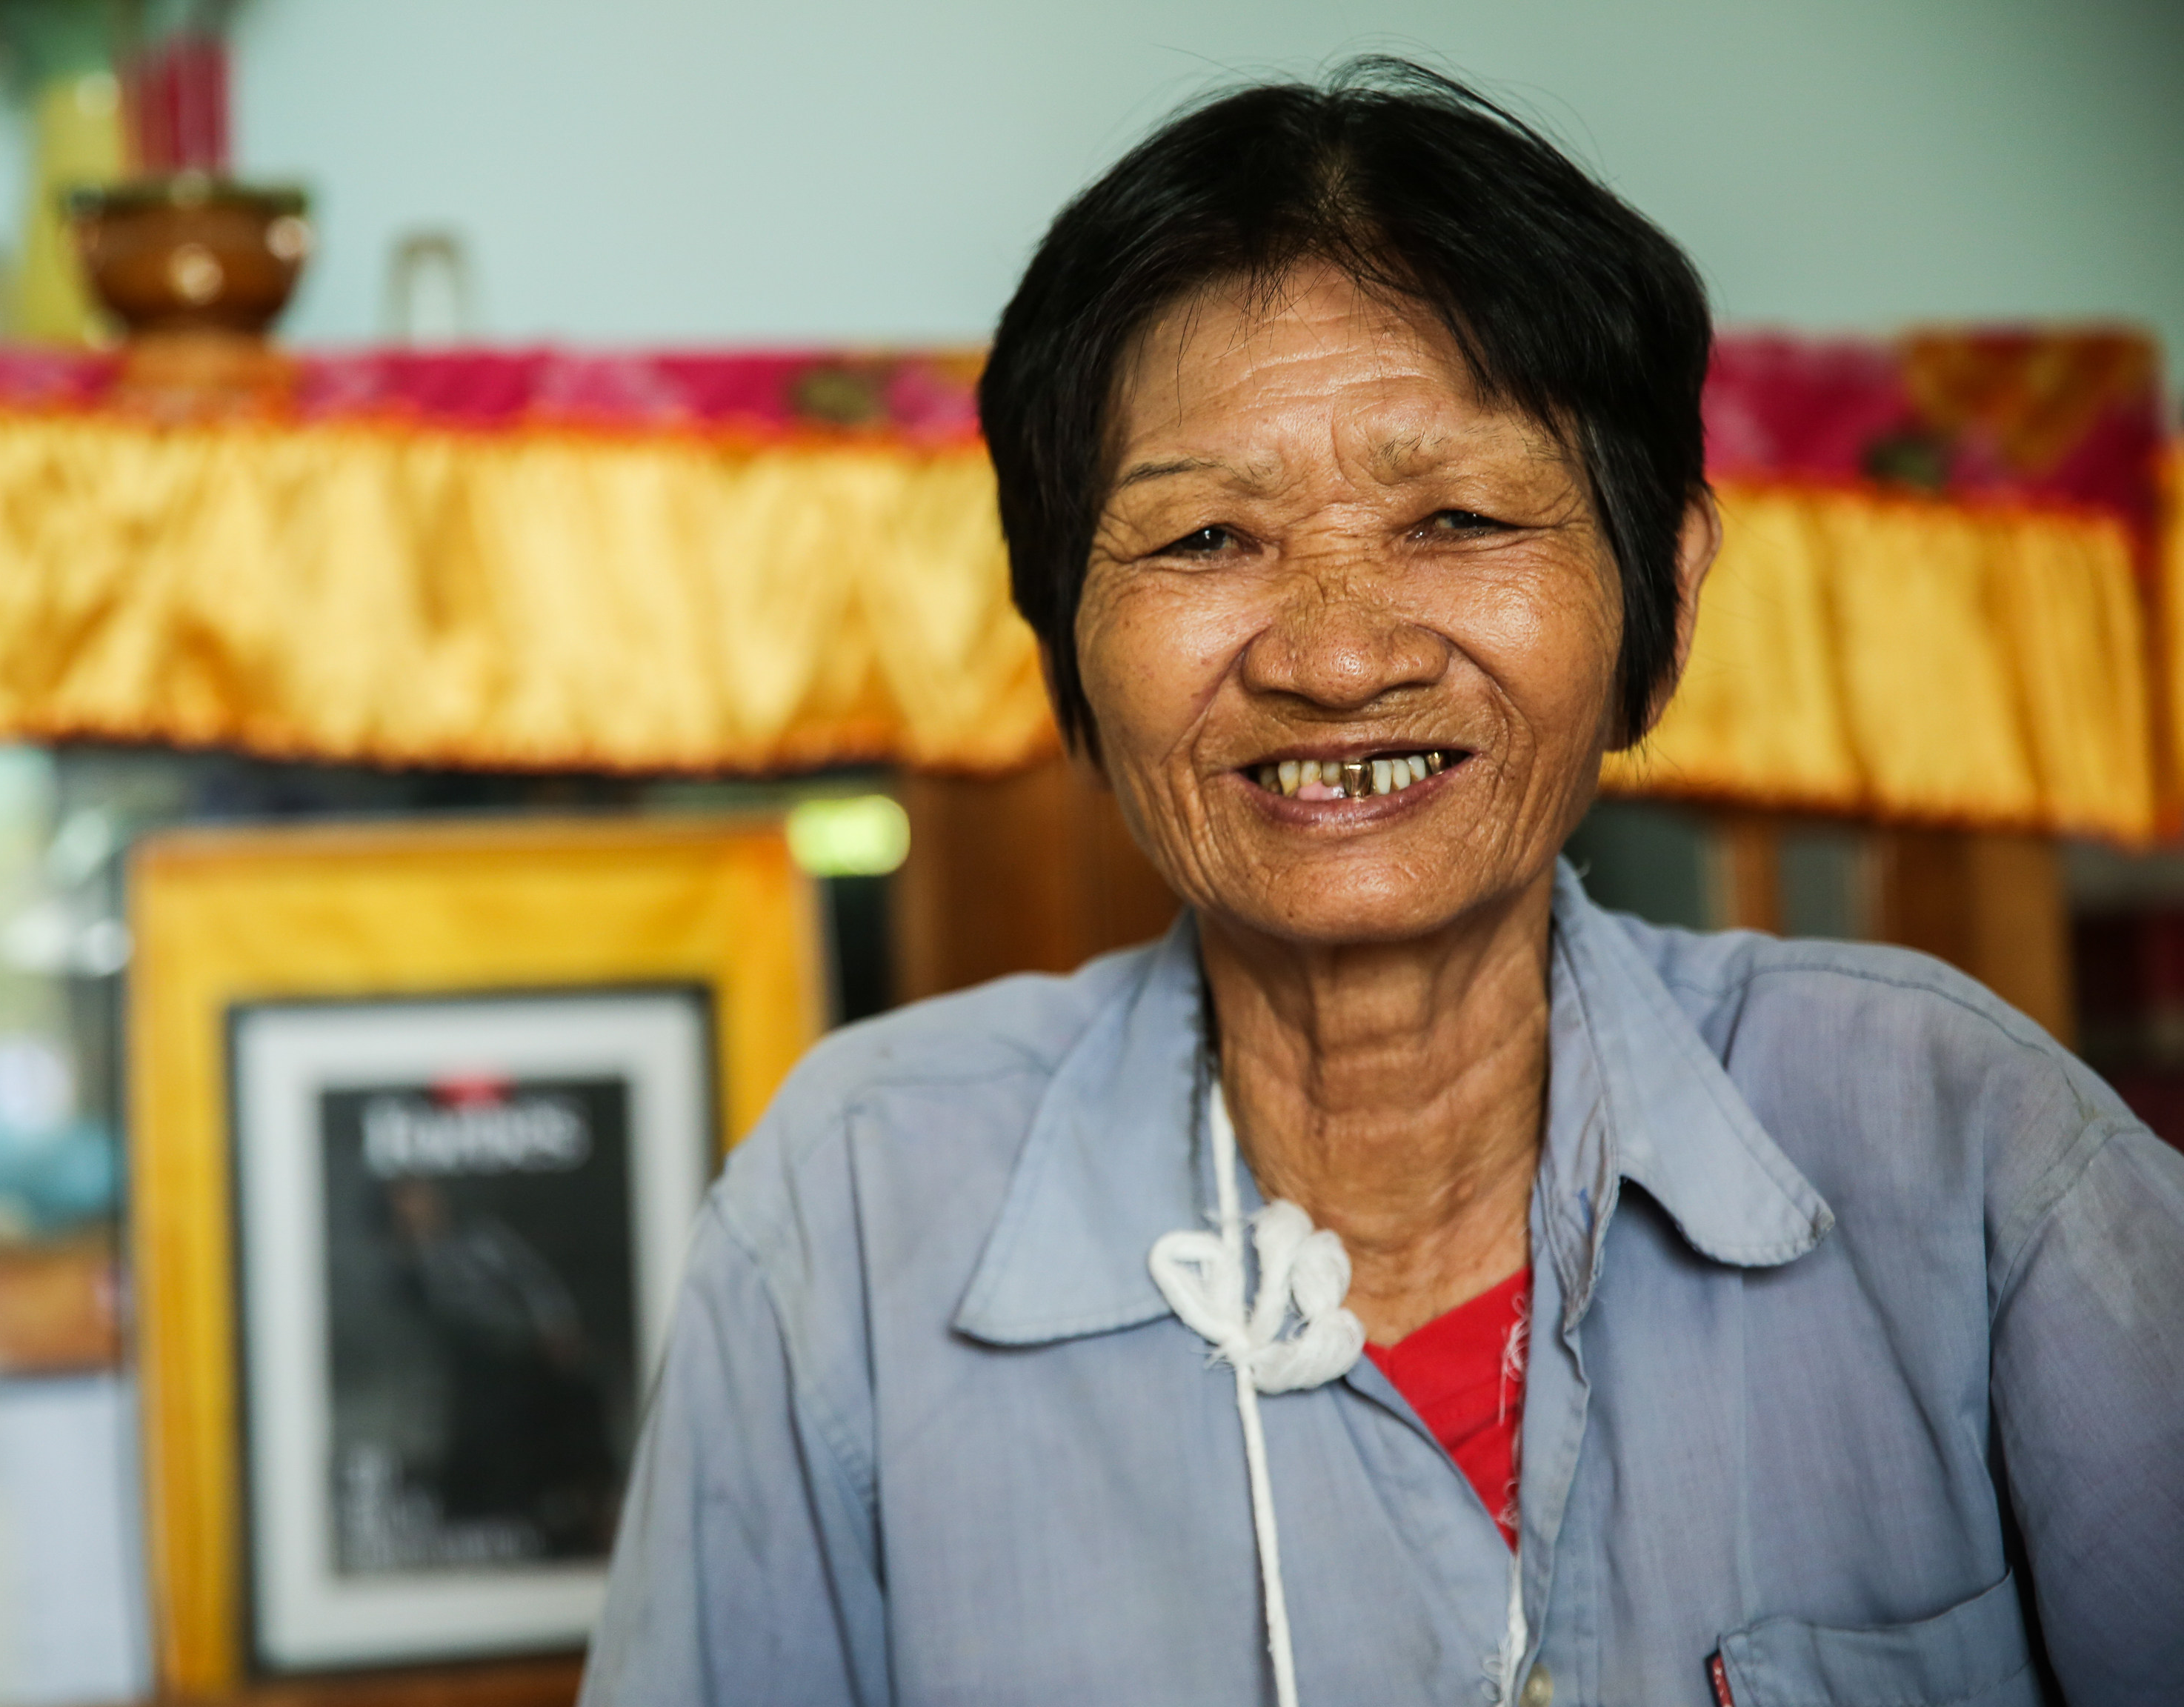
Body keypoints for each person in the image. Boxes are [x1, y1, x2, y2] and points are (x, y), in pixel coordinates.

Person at [579, 59, 2184, 1706]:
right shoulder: (848, 1217)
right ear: (1065, 626)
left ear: (1663, 599)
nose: (1339, 657)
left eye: (1461, 517)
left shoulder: (1969, 1152)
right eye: (1206, 540)